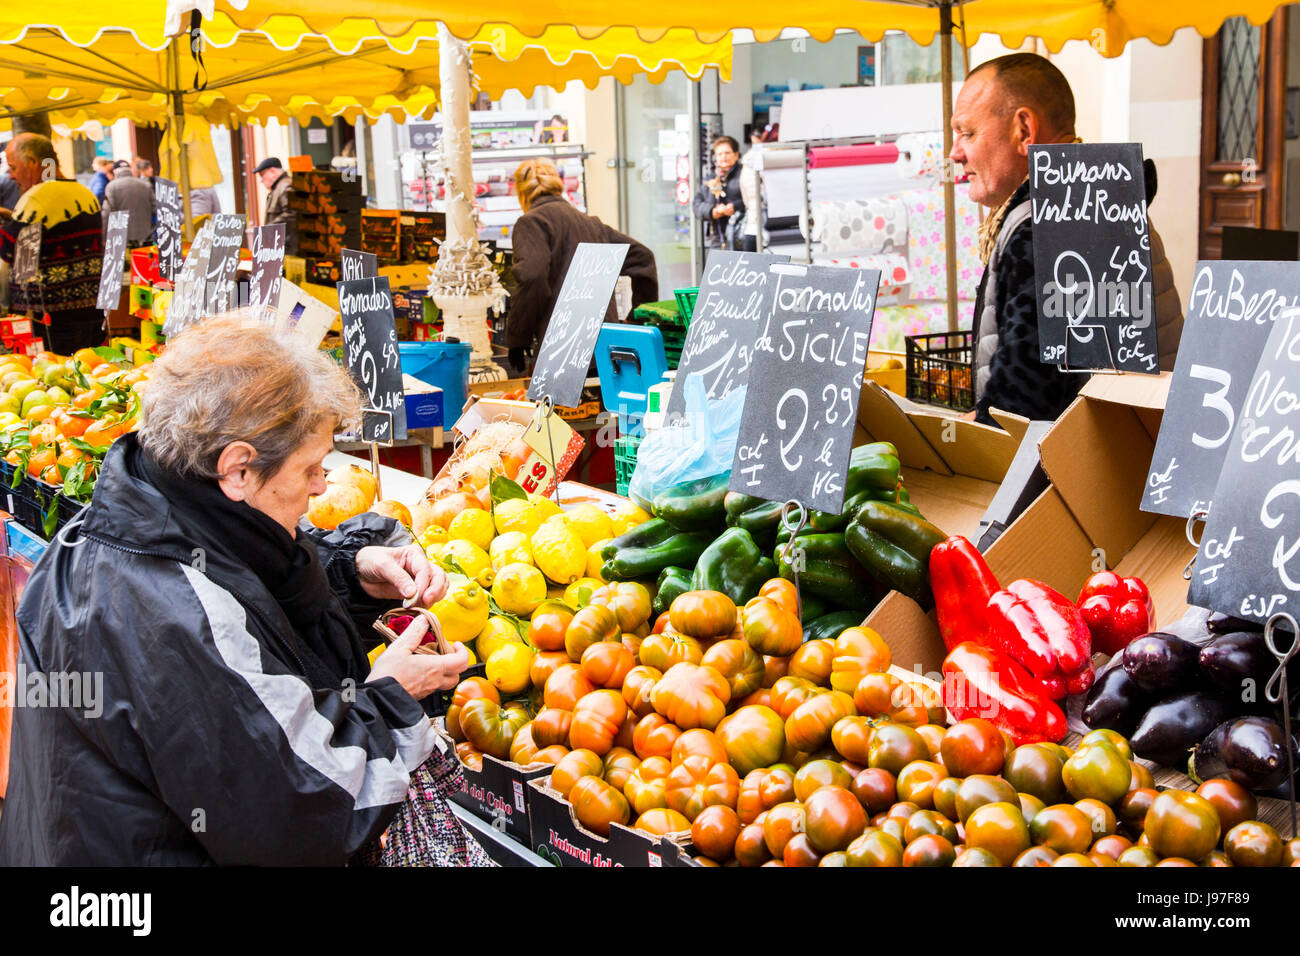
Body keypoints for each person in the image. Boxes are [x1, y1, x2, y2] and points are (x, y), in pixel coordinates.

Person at [0, 315, 492, 866]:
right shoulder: (171, 612)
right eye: (310, 467)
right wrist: (389, 698)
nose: (321, 485)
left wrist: (350, 572)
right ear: (236, 469)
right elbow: (299, 802)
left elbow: (242, 584)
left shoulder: (146, 510)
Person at [950, 53, 1184, 426]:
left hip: (1095, 475)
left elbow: (1023, 410)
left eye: (967, 133)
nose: (955, 153)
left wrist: (975, 428)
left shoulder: (1051, 226)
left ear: (1023, 130)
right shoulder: (1095, 199)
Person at [504, 158, 658, 367]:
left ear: (522, 194)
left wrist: (517, 339)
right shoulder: (592, 225)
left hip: (561, 351)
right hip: (606, 351)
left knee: (561, 402)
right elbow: (644, 258)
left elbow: (532, 278)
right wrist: (637, 319)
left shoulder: (531, 223)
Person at [0, 133, 104, 353]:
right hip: (92, 313)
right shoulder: (85, 193)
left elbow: (8, 249)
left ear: (33, 163)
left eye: (13, 167)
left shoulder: (37, 198)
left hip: (51, 323)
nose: (10, 176)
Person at [693, 135, 745, 250]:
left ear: (736, 155)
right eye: (720, 154)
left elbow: (755, 201)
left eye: (727, 153)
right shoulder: (710, 178)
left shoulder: (745, 175)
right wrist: (712, 211)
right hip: (718, 239)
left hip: (740, 236)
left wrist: (735, 207)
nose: (724, 157)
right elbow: (696, 205)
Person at [102, 158, 157, 246]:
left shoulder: (111, 187)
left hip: (122, 239)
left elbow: (106, 214)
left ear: (115, 172)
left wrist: (104, 238)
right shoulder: (146, 186)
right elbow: (156, 209)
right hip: (146, 236)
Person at [254, 156, 297, 255]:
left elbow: (291, 213)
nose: (261, 180)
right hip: (282, 246)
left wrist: (268, 229)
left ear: (272, 171)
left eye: (262, 175)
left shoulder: (286, 186)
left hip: (289, 247)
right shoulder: (278, 187)